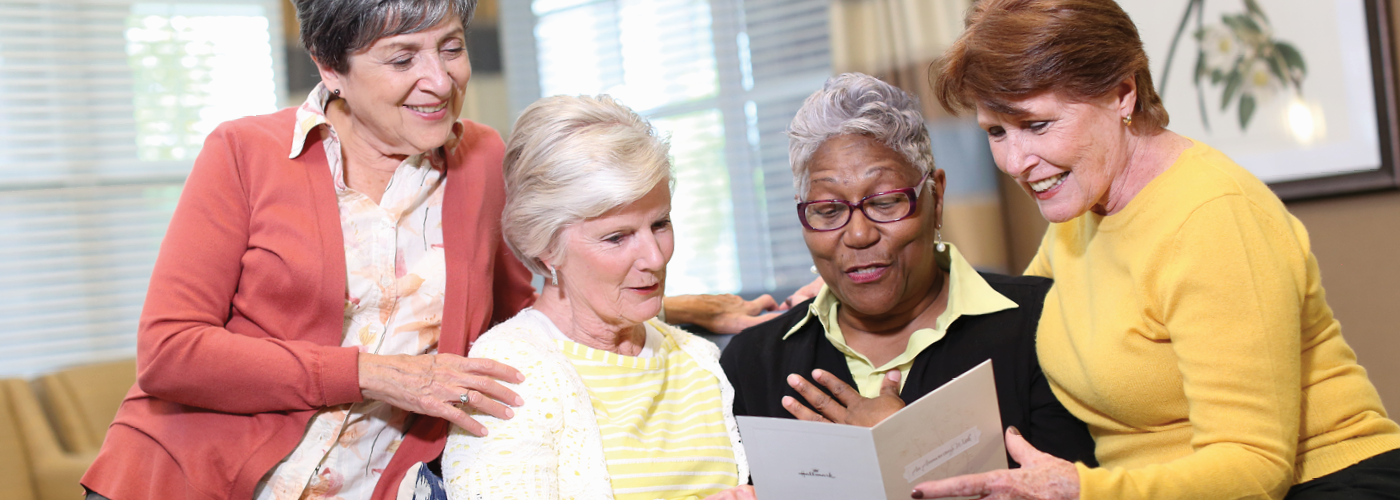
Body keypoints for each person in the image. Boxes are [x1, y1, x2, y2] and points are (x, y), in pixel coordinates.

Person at [80, 1, 773, 498]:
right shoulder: (245, 154)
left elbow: (526, 311)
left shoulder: (480, 160)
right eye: (402, 57)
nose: (440, 80)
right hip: (182, 479)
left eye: (449, 46)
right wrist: (375, 374)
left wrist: (686, 308)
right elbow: (171, 352)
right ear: (331, 67)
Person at [912, 1, 1400, 499]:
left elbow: (1254, 467)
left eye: (1038, 126)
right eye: (996, 131)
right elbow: (1010, 319)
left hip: (1328, 483)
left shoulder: (1211, 218)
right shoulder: (1084, 204)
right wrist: (884, 290)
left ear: (1122, 94)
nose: (1015, 162)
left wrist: (1082, 491)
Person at [719, 73, 1098, 468]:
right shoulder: (753, 361)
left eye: (885, 203)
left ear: (937, 194)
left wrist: (908, 450)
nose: (859, 234)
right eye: (828, 211)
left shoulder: (1043, 320)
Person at [441, 94, 753, 500]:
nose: (655, 257)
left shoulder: (698, 359)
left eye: (660, 223)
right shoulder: (509, 369)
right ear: (545, 246)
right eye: (617, 237)